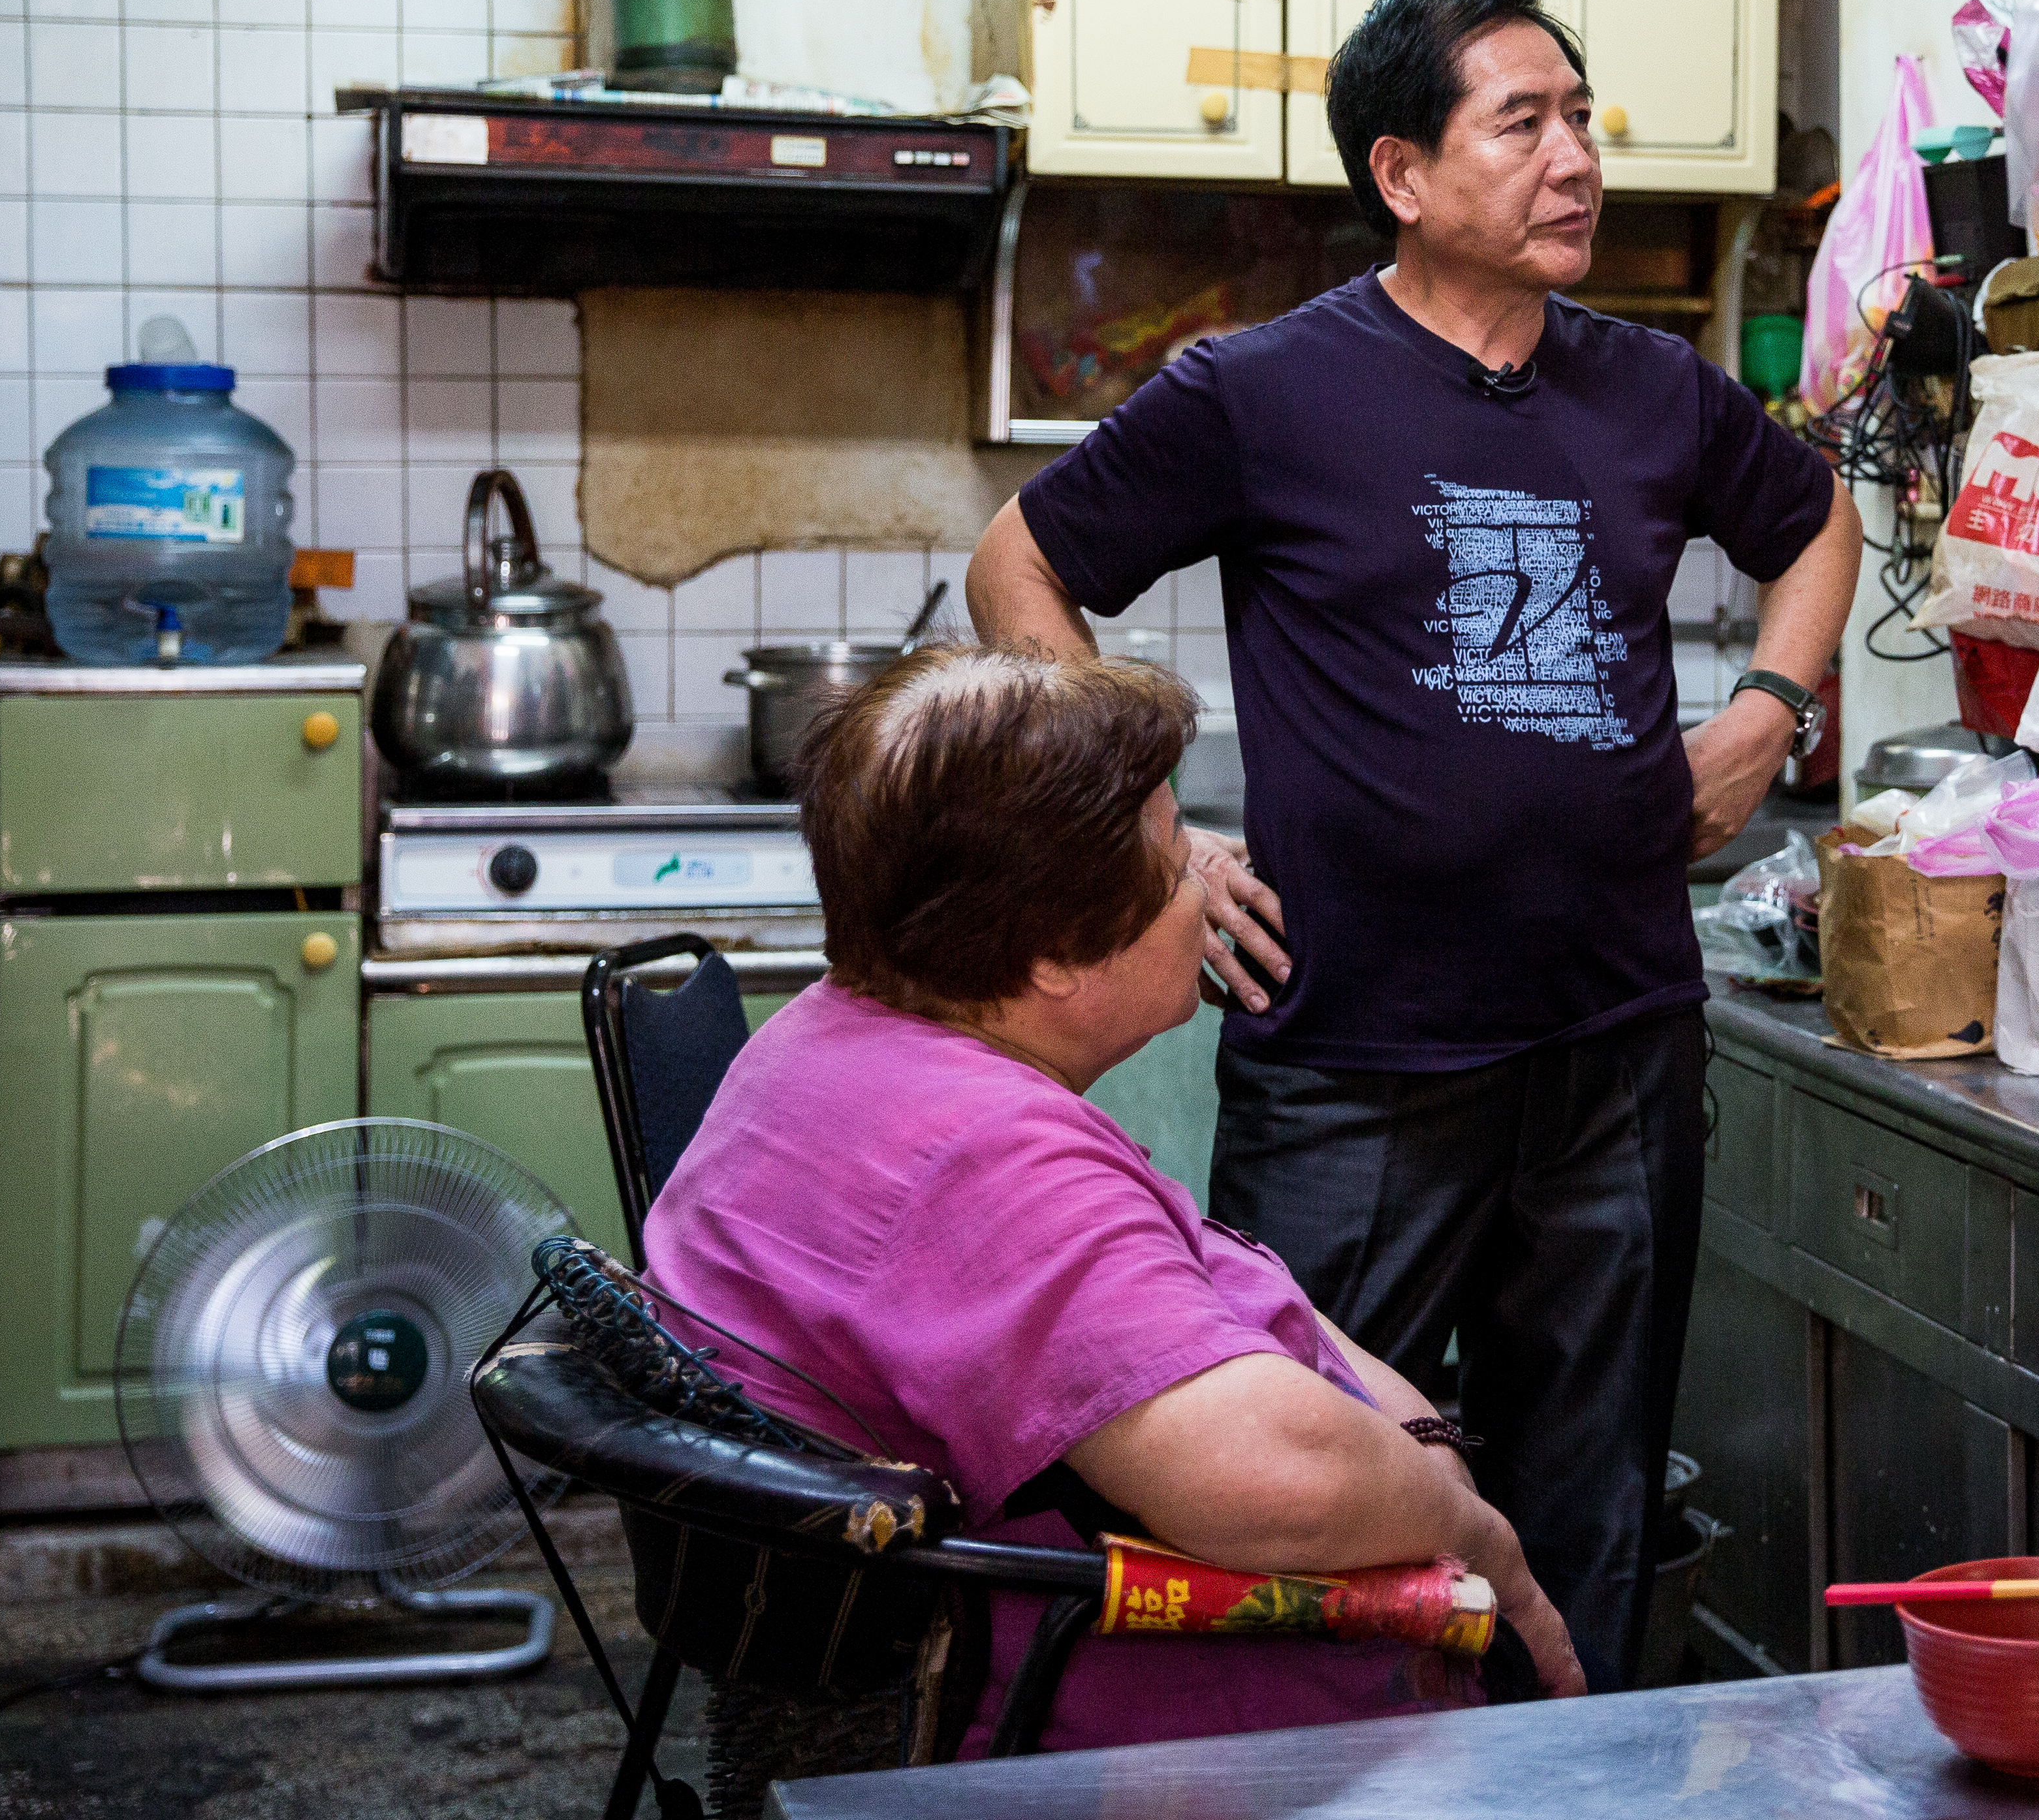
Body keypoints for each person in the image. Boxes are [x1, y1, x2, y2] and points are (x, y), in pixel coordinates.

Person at [965, 0, 1859, 1690]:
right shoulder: (1264, 391)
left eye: (1582, 116)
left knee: (1585, 1506)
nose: (1576, 158)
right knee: (1307, 1496)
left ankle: (1557, 1806)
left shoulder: (1653, 392)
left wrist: (1769, 713)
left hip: (1615, 1044)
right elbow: (1022, 568)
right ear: (1402, 172)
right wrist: (1152, 845)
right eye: (1521, 123)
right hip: (1355, 1061)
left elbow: (1817, 521)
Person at [639, 645, 1585, 1758]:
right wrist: (1485, 1543)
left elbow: (1198, 1277)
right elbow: (1266, 1476)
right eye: (1180, 852)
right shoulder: (979, 1161)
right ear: (1051, 954)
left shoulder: (829, 1044)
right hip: (1153, 1733)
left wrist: (1418, 1434)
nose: (1210, 875)